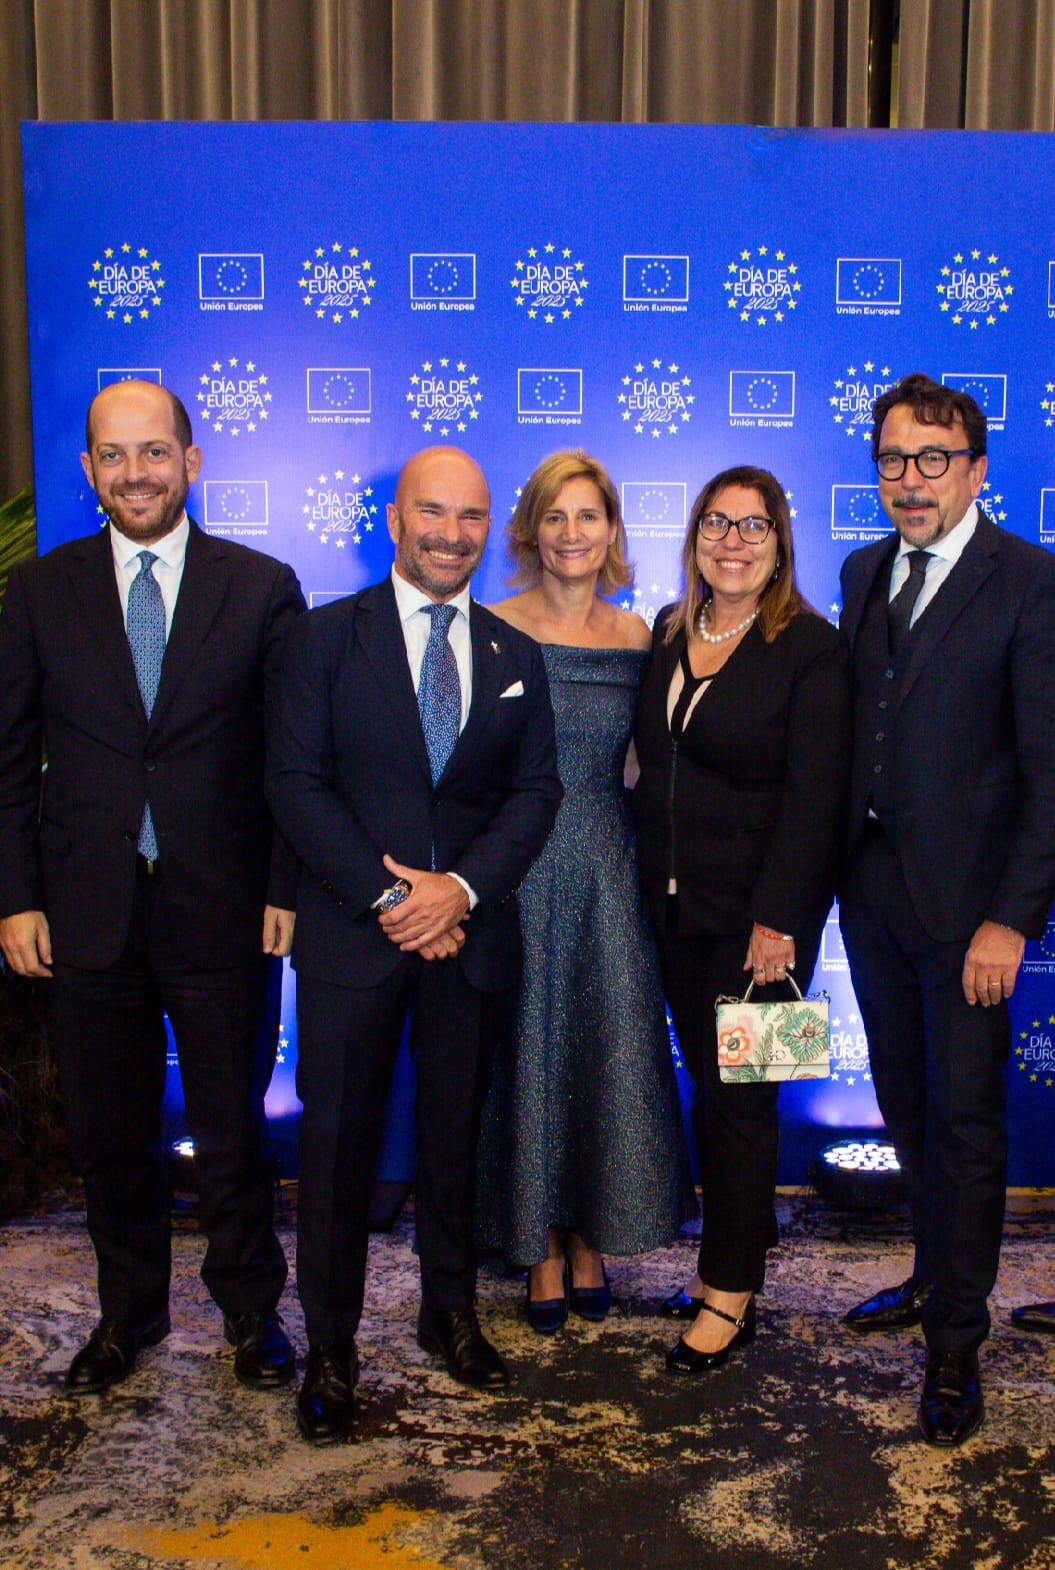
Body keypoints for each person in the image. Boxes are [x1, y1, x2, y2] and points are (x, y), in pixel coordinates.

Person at [0, 379, 305, 1395]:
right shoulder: (41, 592)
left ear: (192, 459)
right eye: (114, 455)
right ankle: (128, 1317)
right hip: (83, 908)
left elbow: (288, 759)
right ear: (89, 470)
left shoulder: (261, 586)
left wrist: (283, 883)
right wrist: (15, 896)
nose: (136, 472)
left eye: (154, 451)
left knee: (232, 1129)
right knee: (109, 1133)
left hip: (223, 904)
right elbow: (9, 759)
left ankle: (253, 1316)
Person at [267, 445, 562, 1444]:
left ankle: (449, 1312)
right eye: (431, 513)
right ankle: (331, 1344)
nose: (449, 534)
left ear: (490, 527)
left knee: (452, 1140)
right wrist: (396, 895)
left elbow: (536, 794)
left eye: (470, 516)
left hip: (468, 939)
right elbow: (294, 784)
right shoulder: (317, 641)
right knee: (336, 1147)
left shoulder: (512, 654)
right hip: (357, 938)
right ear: (394, 520)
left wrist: (459, 891)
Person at [839, 373, 1055, 1446]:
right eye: (891, 459)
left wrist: (1010, 917)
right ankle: (931, 1278)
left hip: (971, 915)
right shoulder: (858, 570)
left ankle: (956, 1353)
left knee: (965, 1126)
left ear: (975, 469)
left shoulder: (1028, 581)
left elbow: (1047, 768)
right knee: (907, 1106)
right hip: (870, 898)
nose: (909, 480)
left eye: (932, 459)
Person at [633, 466, 850, 1375]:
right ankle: (727, 1267)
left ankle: (730, 1296)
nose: (731, 541)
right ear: (693, 538)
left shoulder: (812, 647)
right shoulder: (669, 629)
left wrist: (781, 921)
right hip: (674, 914)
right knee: (708, 1100)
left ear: (779, 544)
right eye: (716, 524)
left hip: (765, 930)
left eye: (752, 526)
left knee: (745, 1107)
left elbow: (818, 801)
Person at [474, 450, 694, 1331]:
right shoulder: (489, 625)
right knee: (526, 1057)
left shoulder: (641, 634)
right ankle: (536, 1248)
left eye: (588, 517)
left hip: (609, 868)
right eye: (554, 518)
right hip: (518, 869)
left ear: (612, 530)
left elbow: (648, 765)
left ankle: (592, 1238)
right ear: (530, 529)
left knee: (601, 1053)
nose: (572, 535)